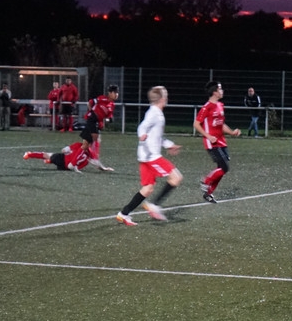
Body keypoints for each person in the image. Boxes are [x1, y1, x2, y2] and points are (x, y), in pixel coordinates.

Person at [116, 86, 182, 226]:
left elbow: (157, 136)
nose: (167, 98)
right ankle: (154, 205)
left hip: (144, 156)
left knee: (148, 189)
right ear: (162, 99)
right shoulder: (154, 114)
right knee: (176, 177)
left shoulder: (155, 112)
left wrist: (169, 145)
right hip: (152, 157)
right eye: (166, 95)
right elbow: (142, 127)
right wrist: (142, 134)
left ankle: (124, 214)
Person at [193, 80, 240, 203]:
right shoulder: (206, 107)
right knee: (224, 167)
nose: (222, 91)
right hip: (212, 143)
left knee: (222, 169)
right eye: (220, 89)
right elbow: (196, 124)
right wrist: (208, 136)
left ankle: (208, 193)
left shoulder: (220, 105)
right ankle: (206, 181)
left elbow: (221, 124)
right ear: (214, 92)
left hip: (221, 142)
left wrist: (232, 132)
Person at [80, 84, 119, 171]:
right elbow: (90, 102)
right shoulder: (102, 98)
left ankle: (71, 156)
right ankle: (94, 158)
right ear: (110, 93)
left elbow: (108, 116)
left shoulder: (112, 105)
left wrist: (107, 120)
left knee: (86, 144)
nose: (116, 95)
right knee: (96, 138)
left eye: (117, 93)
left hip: (96, 122)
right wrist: (91, 112)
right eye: (114, 93)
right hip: (92, 120)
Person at [23, 141, 90, 173]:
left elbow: (64, 150)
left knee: (47, 156)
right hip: (63, 161)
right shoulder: (79, 146)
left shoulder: (86, 156)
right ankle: (30, 154)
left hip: (64, 165)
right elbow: (65, 150)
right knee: (48, 156)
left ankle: (30, 154)